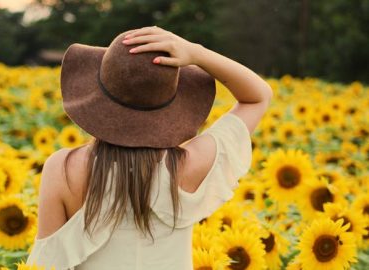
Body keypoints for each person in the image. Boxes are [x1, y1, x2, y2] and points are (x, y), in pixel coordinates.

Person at [25, 26, 272, 270]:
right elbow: (258, 96)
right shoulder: (191, 165)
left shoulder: (64, 170)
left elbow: (46, 264)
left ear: (98, 96)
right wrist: (196, 53)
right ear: (169, 104)